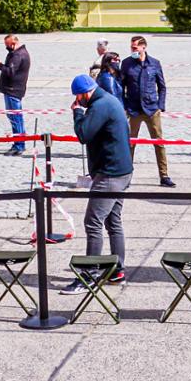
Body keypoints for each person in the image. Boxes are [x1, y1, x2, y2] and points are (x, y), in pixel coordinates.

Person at [64, 73, 132, 291]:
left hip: (110, 174)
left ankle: (89, 275)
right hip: (121, 171)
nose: (77, 100)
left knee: (93, 222)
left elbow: (83, 134)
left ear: (84, 94)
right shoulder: (110, 99)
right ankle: (117, 270)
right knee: (113, 222)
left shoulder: (100, 105)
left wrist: (77, 113)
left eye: (78, 97)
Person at [119, 36, 175, 188]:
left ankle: (164, 176)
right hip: (134, 110)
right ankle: (125, 177)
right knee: (129, 144)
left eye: (135, 48)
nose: (132, 50)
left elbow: (162, 86)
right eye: (131, 48)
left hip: (151, 109)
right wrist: (124, 106)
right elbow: (120, 86)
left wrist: (160, 106)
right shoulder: (127, 64)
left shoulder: (154, 63)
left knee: (159, 143)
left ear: (144, 47)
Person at [0, 34, 32, 155]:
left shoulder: (17, 55)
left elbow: (10, 72)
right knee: (17, 117)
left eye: (7, 45)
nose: (7, 48)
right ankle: (20, 142)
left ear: (13, 43)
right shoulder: (21, 53)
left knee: (15, 118)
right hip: (15, 89)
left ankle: (19, 145)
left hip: (13, 90)